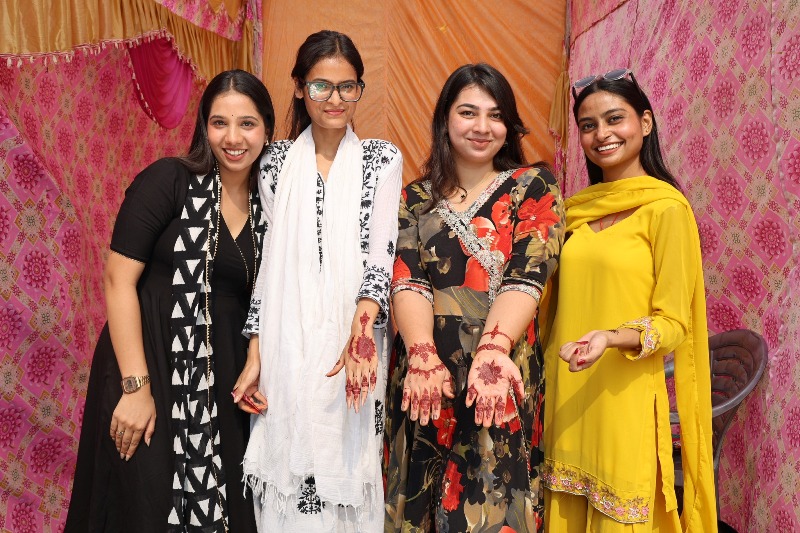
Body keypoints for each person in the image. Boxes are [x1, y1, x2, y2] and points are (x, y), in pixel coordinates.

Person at [65, 69, 274, 532]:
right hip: (148, 367)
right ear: (204, 127)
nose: (233, 138)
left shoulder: (271, 206)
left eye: (247, 123)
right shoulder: (169, 180)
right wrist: (135, 389)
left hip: (222, 384)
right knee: (144, 507)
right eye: (219, 123)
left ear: (267, 128)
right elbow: (118, 280)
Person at [385, 63, 565, 533]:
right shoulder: (415, 198)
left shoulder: (533, 186)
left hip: (500, 375)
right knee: (419, 510)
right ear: (445, 118)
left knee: (491, 510)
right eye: (468, 112)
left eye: (496, 115)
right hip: (427, 382)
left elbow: (529, 274)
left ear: (509, 126)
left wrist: (492, 351)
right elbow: (407, 280)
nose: (482, 127)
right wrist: (422, 356)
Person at [236, 30, 403, 532]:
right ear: (298, 88)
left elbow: (381, 255)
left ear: (359, 89)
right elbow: (270, 265)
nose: (335, 99)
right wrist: (255, 354)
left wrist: (360, 337)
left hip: (356, 339)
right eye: (321, 86)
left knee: (347, 465)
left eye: (347, 87)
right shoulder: (274, 162)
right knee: (288, 471)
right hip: (287, 347)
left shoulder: (381, 158)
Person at [541, 69, 717, 532]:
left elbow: (674, 322)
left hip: (625, 400)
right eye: (588, 125)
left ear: (646, 122)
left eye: (614, 119)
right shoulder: (576, 210)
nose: (602, 134)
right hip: (567, 395)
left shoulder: (666, 210)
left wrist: (609, 337)